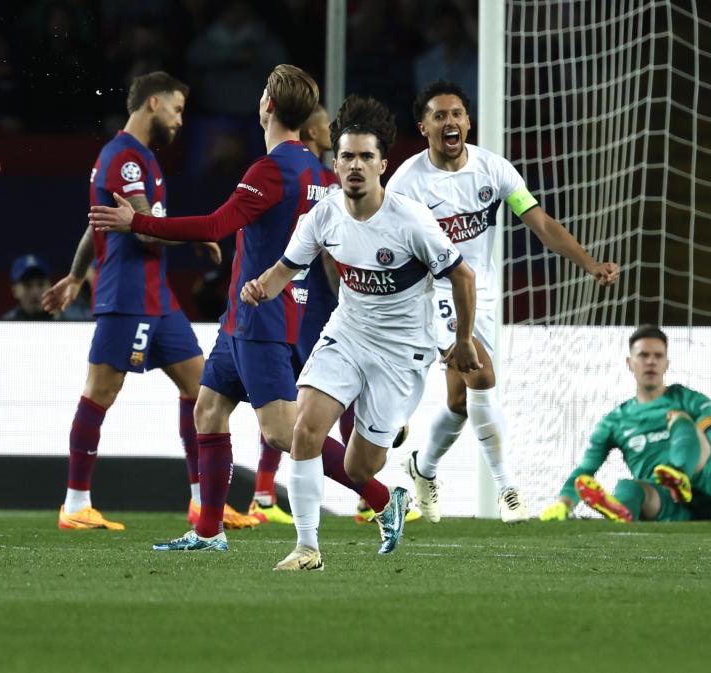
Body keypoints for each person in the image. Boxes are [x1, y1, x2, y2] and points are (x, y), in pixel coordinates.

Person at [92, 65, 405, 554]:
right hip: (245, 318)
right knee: (209, 409)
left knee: (282, 433)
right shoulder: (315, 171)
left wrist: (140, 223)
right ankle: (209, 531)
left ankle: (384, 497)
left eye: (263, 93)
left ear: (269, 107)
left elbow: (218, 223)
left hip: (264, 316)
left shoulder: (274, 168)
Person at [240, 95, 479, 570]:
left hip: (402, 352)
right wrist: (259, 288)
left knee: (358, 468)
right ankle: (307, 548)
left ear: (382, 165)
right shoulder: (324, 215)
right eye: (346, 156)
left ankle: (389, 484)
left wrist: (465, 339)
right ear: (335, 163)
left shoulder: (410, 221)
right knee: (305, 429)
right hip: (347, 334)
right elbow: (286, 268)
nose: (355, 165)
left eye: (366, 157)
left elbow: (463, 276)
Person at [386, 80, 621, 524]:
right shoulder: (407, 183)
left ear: (468, 122)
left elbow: (541, 223)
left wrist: (589, 264)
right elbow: (385, 240)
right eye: (439, 115)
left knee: (459, 401)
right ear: (424, 127)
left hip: (484, 293)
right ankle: (508, 489)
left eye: (456, 113)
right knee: (480, 372)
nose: (450, 121)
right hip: (434, 293)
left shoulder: (494, 170)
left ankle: (423, 467)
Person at [40, 72, 234, 531]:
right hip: (128, 294)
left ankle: (201, 502)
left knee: (200, 386)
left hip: (156, 296)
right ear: (152, 103)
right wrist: (195, 235)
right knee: (101, 391)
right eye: (177, 109)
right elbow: (144, 229)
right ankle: (75, 505)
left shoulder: (138, 158)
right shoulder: (125, 159)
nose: (180, 120)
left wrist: (72, 274)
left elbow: (101, 222)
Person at [539, 325, 711, 523]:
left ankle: (679, 475)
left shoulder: (688, 400)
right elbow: (585, 470)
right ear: (629, 363)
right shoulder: (615, 421)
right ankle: (623, 512)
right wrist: (564, 502)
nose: (650, 361)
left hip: (704, 495)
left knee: (678, 418)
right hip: (665, 503)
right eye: (643, 355)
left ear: (667, 363)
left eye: (658, 356)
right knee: (627, 488)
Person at [1, 254, 52, 321]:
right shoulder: (5, 325)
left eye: (40, 284)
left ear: (50, 286)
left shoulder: (68, 322)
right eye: (27, 285)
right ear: (15, 291)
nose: (35, 292)